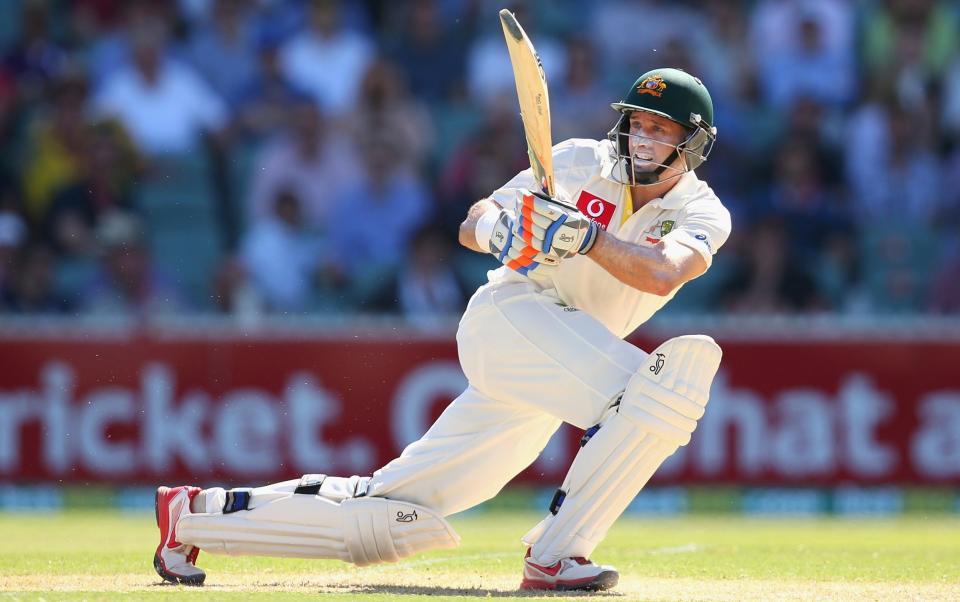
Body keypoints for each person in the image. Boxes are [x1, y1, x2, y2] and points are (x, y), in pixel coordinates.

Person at [153, 68, 731, 592]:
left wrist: (586, 238)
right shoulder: (578, 161)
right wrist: (503, 231)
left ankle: (195, 513)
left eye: (662, 129)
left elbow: (662, 274)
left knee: (395, 511)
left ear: (693, 143)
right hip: (511, 317)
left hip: (562, 362)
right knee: (661, 389)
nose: (644, 139)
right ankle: (557, 556)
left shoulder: (703, 213)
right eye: (637, 125)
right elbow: (473, 219)